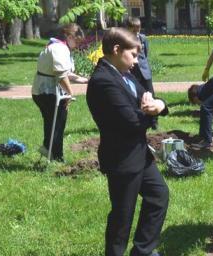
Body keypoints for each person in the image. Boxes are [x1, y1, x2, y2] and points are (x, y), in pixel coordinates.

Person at [86, 27, 170, 256]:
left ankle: (143, 251)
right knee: (122, 217)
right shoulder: (103, 81)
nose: (136, 61)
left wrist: (159, 105)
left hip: (139, 155)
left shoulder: (124, 73)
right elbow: (132, 121)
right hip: (122, 159)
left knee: (158, 196)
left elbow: (148, 97)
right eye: (133, 54)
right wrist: (152, 111)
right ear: (116, 49)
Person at [32, 23, 88, 162]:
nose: (77, 45)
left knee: (54, 123)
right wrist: (70, 93)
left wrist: (83, 80)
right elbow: (61, 76)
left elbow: (66, 73)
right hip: (45, 91)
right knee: (57, 123)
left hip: (46, 90)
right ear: (69, 36)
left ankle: (52, 152)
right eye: (77, 41)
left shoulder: (60, 47)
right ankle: (54, 154)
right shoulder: (59, 48)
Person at [126, 17, 158, 130]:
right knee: (136, 96)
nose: (137, 32)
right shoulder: (125, 40)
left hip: (145, 71)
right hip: (133, 71)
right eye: (134, 30)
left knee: (150, 94)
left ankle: (154, 121)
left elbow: (145, 54)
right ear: (129, 29)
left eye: (138, 29)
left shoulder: (143, 38)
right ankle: (139, 119)